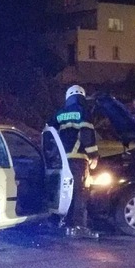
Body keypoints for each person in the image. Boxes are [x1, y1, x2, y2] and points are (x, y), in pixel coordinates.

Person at [49, 84, 99, 239]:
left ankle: (63, 223)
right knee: (80, 193)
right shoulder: (83, 112)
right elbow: (87, 135)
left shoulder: (59, 114)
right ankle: (78, 227)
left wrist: (53, 155)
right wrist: (94, 155)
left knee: (64, 193)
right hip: (78, 160)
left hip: (62, 162)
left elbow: (49, 134)